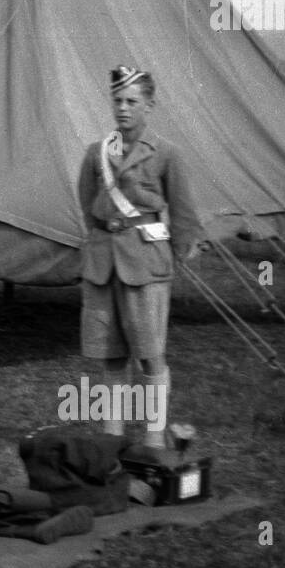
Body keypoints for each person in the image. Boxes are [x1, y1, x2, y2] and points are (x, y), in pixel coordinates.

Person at [77, 65, 203, 449]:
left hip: (146, 266)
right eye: (117, 100)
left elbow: (183, 213)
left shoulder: (167, 154)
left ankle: (152, 437)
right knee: (110, 355)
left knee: (150, 354)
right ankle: (112, 436)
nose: (123, 109)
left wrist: (175, 255)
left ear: (150, 105)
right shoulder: (95, 153)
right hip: (104, 265)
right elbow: (88, 204)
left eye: (132, 101)